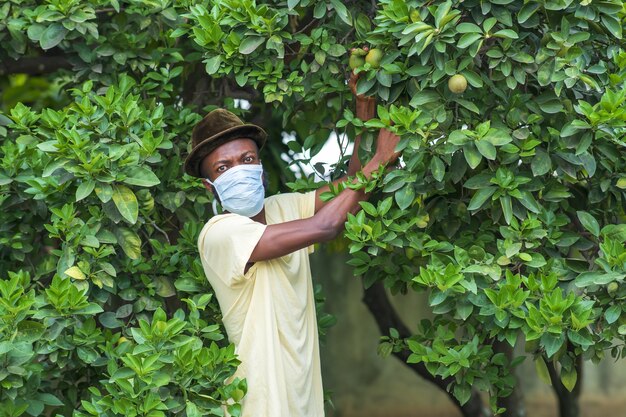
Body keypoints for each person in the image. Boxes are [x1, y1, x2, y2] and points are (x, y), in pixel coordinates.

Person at [183, 72, 401, 417]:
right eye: (223, 167)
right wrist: (381, 161)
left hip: (303, 398)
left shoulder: (282, 208)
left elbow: (351, 190)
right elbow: (325, 225)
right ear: (210, 187)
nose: (239, 170)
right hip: (258, 403)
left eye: (247, 160)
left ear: (260, 166)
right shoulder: (220, 234)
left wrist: (363, 109)